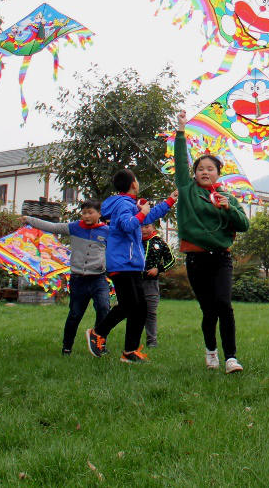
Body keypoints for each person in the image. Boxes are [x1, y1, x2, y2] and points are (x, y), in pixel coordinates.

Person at [174, 111, 251, 373]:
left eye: (210, 168)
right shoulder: (186, 191)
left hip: (221, 259)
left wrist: (229, 208)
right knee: (209, 311)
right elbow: (179, 160)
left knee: (224, 305)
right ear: (194, 173)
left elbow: (244, 225)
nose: (205, 172)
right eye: (200, 169)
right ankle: (211, 352)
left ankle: (231, 357)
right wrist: (181, 131)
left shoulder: (227, 196)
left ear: (219, 173)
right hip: (196, 260)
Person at [86, 171, 175, 362]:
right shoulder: (123, 205)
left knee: (140, 307)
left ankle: (130, 351)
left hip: (132, 264)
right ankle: (98, 332)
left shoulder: (129, 204)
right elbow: (127, 225)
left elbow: (148, 217)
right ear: (134, 183)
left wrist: (170, 201)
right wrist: (142, 212)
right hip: (121, 263)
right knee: (129, 305)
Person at [24, 200, 111, 355]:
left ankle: (99, 342)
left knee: (104, 308)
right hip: (79, 279)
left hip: (98, 278)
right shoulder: (74, 227)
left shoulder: (107, 231)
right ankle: (67, 347)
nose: (87, 216)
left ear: (99, 214)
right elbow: (51, 227)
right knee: (75, 314)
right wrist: (28, 219)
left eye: (90, 212)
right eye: (84, 213)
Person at [141, 220, 176, 347]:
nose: (143, 230)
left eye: (146, 226)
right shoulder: (133, 241)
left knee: (150, 311)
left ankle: (152, 340)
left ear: (153, 227)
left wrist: (158, 269)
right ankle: (132, 341)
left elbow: (171, 259)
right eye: (140, 227)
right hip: (134, 281)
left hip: (151, 283)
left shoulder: (159, 242)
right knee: (134, 311)